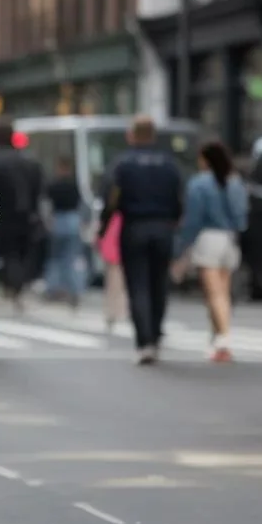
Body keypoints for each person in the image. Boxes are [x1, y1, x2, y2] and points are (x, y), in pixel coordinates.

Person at [98, 115, 183, 365]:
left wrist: (103, 228)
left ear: (132, 135)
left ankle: (144, 341)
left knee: (138, 285)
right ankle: (156, 335)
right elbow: (179, 198)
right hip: (163, 228)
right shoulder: (169, 164)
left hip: (134, 228)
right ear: (154, 136)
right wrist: (174, 221)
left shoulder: (122, 165)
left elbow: (111, 199)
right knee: (159, 285)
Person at [175, 140, 249, 362]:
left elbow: (193, 219)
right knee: (222, 294)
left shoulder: (199, 184)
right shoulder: (235, 183)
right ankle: (217, 341)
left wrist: (182, 246)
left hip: (208, 239)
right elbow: (241, 216)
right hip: (230, 239)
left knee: (213, 294)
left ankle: (224, 338)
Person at [0, 119, 45, 308]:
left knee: (5, 253)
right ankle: (17, 285)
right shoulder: (28, 161)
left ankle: (8, 284)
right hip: (25, 215)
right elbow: (38, 190)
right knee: (20, 253)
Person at [44, 154, 85, 308]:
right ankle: (75, 289)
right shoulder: (74, 184)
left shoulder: (53, 185)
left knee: (54, 258)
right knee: (72, 258)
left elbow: (47, 204)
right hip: (73, 221)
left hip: (58, 220)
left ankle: (53, 288)